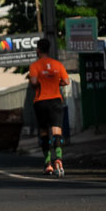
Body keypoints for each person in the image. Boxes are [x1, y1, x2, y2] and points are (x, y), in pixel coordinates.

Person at [28, 38, 69, 177]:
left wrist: (39, 83)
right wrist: (55, 84)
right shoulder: (58, 64)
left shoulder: (35, 66)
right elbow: (66, 81)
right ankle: (59, 159)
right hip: (56, 101)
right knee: (57, 131)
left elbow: (33, 81)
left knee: (44, 133)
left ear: (38, 50)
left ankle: (48, 164)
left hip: (41, 102)